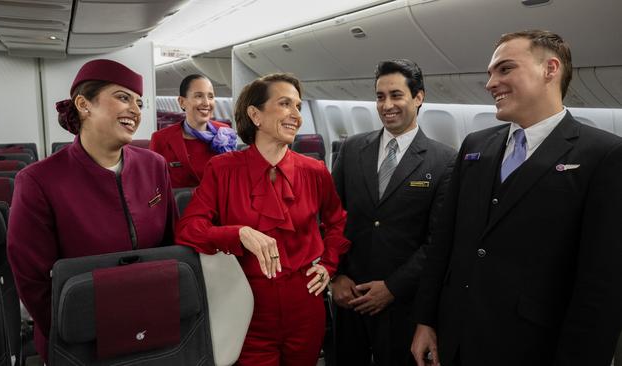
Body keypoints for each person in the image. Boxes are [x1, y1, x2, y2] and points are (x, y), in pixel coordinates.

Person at [410, 30, 622, 366]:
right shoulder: (474, 146)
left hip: (532, 346)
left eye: (505, 69)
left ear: (550, 69)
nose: (491, 83)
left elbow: (601, 286)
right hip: (457, 337)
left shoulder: (603, 154)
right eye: (490, 73)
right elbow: (444, 242)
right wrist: (426, 320)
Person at [7, 59, 177, 361]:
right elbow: (34, 283)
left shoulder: (154, 166)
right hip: (80, 340)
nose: (136, 111)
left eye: (139, 102)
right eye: (123, 98)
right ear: (84, 104)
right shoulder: (38, 181)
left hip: (152, 326)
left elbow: (172, 247)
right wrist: (75, 333)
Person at [175, 73, 350, 365]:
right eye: (285, 104)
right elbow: (188, 230)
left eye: (298, 106)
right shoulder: (222, 169)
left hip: (305, 302)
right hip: (245, 304)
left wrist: (329, 265)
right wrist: (238, 233)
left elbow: (337, 222)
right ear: (255, 114)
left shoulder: (315, 171)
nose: (296, 115)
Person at [330, 59, 455, 366]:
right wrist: (335, 275)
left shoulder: (445, 161)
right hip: (349, 295)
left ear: (418, 97)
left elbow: (437, 241)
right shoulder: (351, 149)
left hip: (403, 302)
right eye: (380, 96)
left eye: (396, 95)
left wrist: (392, 288)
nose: (387, 105)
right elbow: (331, 217)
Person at [150, 74, 237, 188]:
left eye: (210, 97)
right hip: (182, 205)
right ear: (182, 102)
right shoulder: (161, 139)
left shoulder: (225, 132)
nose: (206, 103)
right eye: (198, 96)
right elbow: (154, 186)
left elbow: (234, 179)